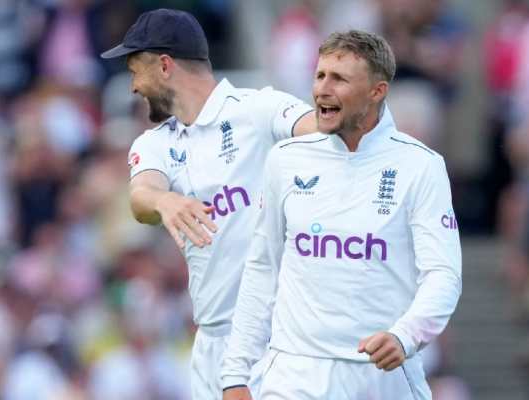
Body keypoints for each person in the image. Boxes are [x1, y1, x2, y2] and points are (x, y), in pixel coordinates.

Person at [221, 30, 462, 399]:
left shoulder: (421, 166)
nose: (322, 89)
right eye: (319, 76)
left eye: (339, 79)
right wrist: (235, 373)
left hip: (381, 378)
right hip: (294, 373)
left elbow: (443, 275)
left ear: (377, 91)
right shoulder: (286, 159)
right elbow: (262, 268)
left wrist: (406, 334)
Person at [100, 8, 316, 400]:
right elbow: (140, 197)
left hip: (279, 338)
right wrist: (164, 201)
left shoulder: (258, 109)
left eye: (136, 70)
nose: (133, 86)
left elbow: (324, 131)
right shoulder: (155, 142)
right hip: (213, 344)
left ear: (164, 66)